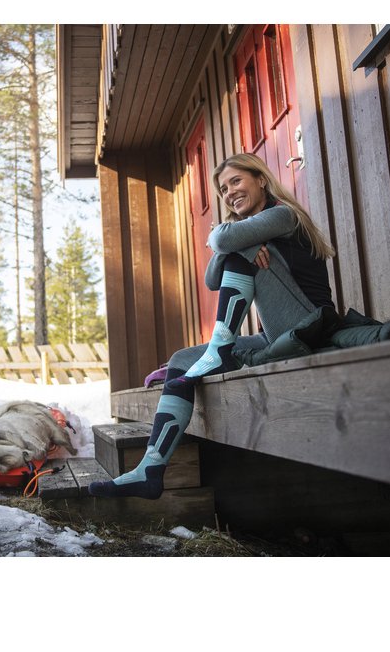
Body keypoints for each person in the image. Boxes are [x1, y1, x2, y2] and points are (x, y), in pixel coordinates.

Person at [88, 152, 336, 500]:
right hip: (275, 334)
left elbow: (221, 243)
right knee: (182, 360)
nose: (229, 192)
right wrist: (244, 248)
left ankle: (219, 350)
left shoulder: (283, 215)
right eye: (223, 189)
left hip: (308, 325)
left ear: (261, 179)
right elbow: (211, 278)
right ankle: (150, 469)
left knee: (234, 252)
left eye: (236, 181)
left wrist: (230, 243)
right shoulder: (249, 231)